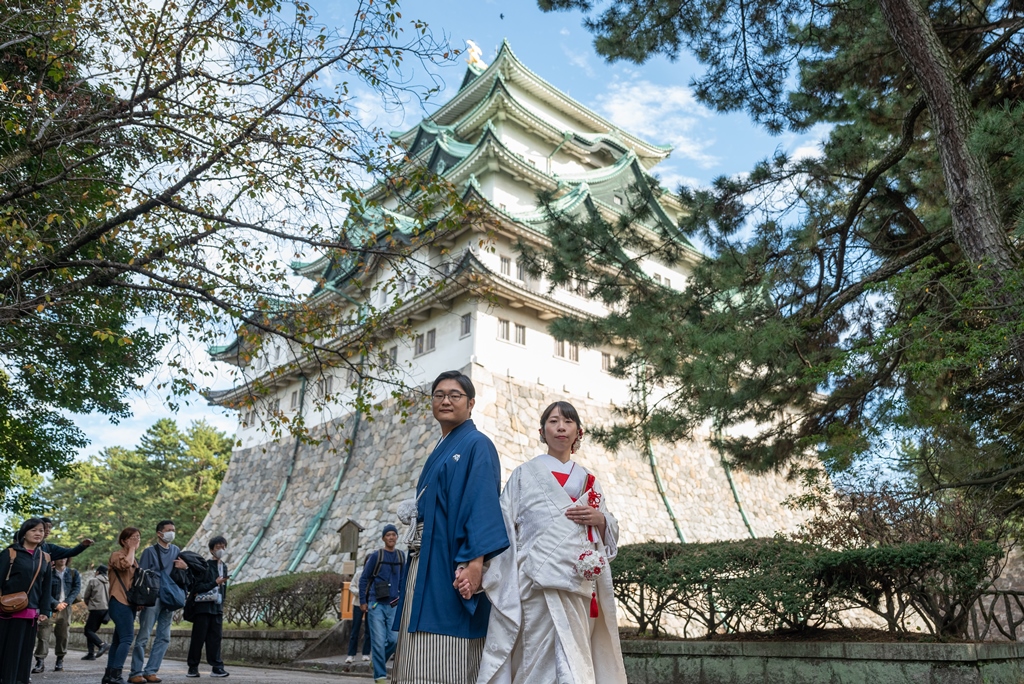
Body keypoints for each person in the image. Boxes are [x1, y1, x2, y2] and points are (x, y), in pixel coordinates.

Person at [476, 401, 627, 684]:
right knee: (535, 656)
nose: (561, 427)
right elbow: (505, 525)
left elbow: (609, 527)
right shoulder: (523, 474)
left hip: (577, 582)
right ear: (542, 431)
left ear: (578, 432)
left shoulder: (589, 480)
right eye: (554, 421)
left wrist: (601, 520)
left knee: (575, 655)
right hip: (534, 581)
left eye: (568, 422)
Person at [391, 370, 510, 684]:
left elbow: (481, 504)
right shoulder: (441, 449)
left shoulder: (476, 444)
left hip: (451, 564)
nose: (445, 400)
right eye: (439, 394)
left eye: (455, 395)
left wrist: (475, 564)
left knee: (448, 650)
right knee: (415, 653)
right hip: (424, 561)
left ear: (470, 404)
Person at [129, 520, 188, 684]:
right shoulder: (149, 552)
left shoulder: (176, 550)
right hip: (152, 599)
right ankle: (135, 672)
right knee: (144, 635)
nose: (172, 533)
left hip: (169, 598)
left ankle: (151, 671)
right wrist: (140, 600)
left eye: (173, 530)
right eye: (168, 530)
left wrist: (185, 567)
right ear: (159, 533)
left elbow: (181, 574)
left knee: (164, 637)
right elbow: (141, 575)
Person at [0, 518, 52, 684]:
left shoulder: (45, 558)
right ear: (24, 533)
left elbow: (46, 587)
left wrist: (44, 610)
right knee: (8, 651)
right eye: (34, 530)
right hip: (7, 611)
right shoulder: (10, 553)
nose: (38, 533)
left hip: (31, 612)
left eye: (41, 531)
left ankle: (21, 680)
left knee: (25, 652)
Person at [359, 524, 405, 684]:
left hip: (393, 604)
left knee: (394, 639)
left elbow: (402, 580)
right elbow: (364, 578)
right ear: (383, 538)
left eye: (394, 534)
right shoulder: (376, 556)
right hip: (375, 604)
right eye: (388, 535)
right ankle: (380, 677)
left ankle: (377, 662)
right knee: (378, 641)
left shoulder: (401, 556)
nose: (391, 537)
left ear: (397, 537)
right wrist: (362, 601)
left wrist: (403, 599)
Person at [185, 536, 230, 678]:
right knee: (198, 638)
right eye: (218, 547)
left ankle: (217, 667)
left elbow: (224, 589)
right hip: (203, 608)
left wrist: (222, 602)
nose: (221, 550)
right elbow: (196, 587)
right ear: (211, 550)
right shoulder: (204, 566)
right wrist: (214, 583)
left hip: (217, 608)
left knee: (215, 638)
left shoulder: (224, 566)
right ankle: (193, 667)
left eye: (223, 547)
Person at [106, 527, 142, 684]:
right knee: (127, 638)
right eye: (132, 538)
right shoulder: (117, 555)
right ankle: (116, 675)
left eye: (138, 537)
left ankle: (108, 675)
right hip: (118, 601)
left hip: (130, 603)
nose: (136, 540)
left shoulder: (134, 559)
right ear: (123, 541)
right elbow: (125, 565)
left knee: (118, 641)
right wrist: (132, 549)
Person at [32, 555, 81, 673]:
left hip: (65, 608)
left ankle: (60, 661)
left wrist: (66, 602)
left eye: (65, 557)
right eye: (60, 557)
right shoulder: (48, 572)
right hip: (48, 607)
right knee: (43, 636)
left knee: (63, 635)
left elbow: (76, 589)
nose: (63, 559)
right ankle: (40, 662)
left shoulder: (73, 573)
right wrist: (55, 603)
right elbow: (43, 590)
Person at [345, 559, 371, 664]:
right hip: (357, 604)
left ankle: (366, 653)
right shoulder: (359, 574)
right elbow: (352, 586)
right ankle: (351, 655)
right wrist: (360, 593)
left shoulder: (374, 575)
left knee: (369, 630)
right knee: (355, 629)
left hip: (370, 604)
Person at [82, 564, 111, 661]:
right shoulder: (110, 582)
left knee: (88, 630)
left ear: (97, 572)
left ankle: (102, 644)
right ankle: (91, 653)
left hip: (96, 608)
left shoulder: (93, 581)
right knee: (91, 631)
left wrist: (88, 603)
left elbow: (86, 596)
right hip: (106, 610)